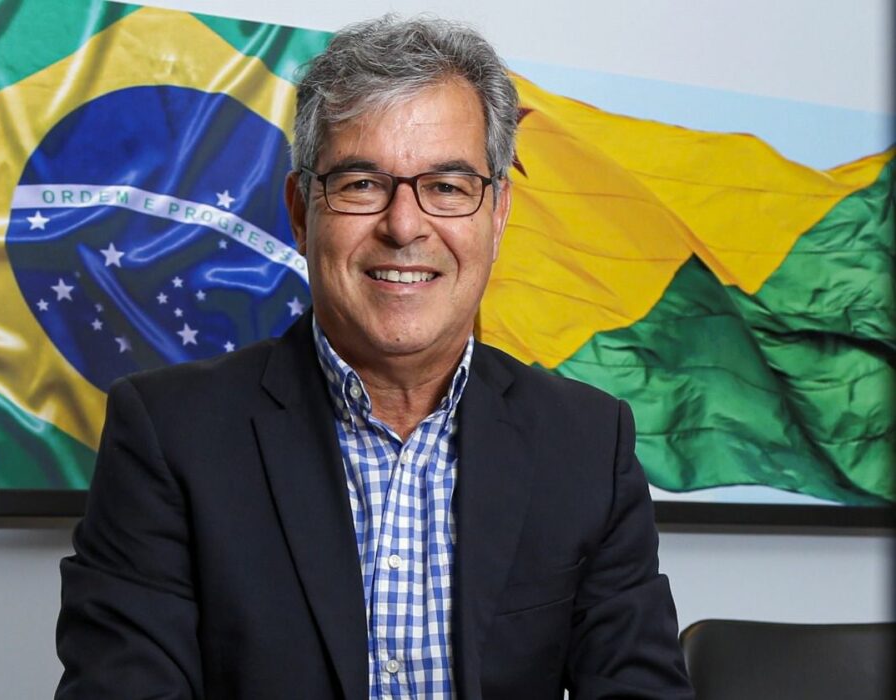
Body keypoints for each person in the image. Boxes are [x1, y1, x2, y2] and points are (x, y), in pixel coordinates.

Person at [56, 14, 694, 700]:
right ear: (301, 211)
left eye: (447, 186)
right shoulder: (167, 435)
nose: (404, 225)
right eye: (361, 183)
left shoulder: (587, 444)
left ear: (499, 213)